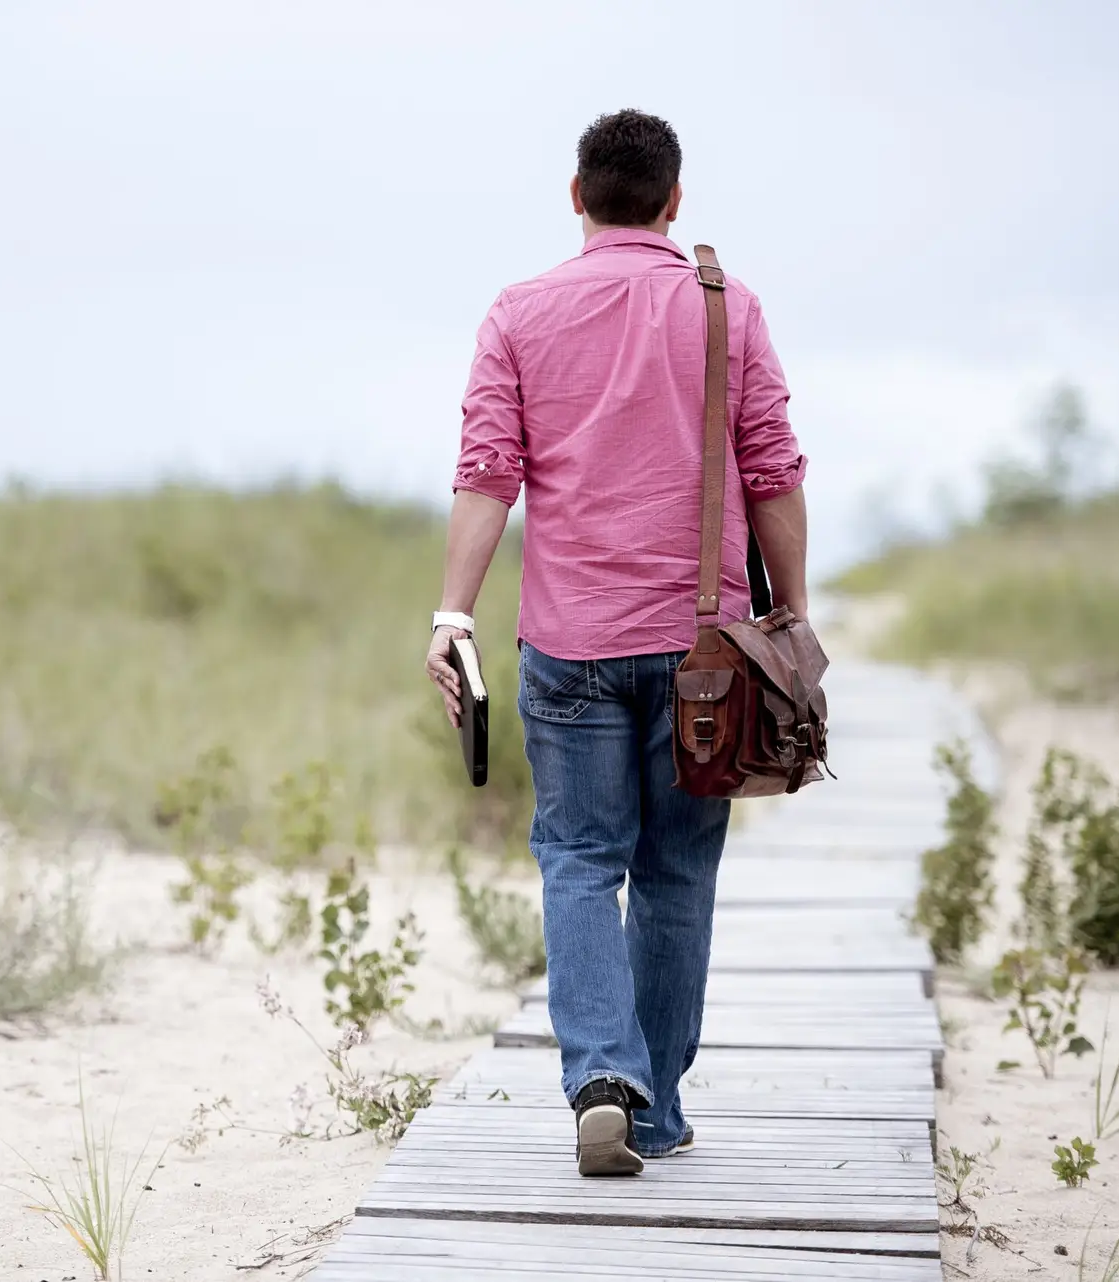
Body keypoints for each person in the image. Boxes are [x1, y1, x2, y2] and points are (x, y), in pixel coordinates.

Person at [423, 108, 809, 1177]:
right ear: (674, 202)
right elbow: (774, 468)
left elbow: (487, 470)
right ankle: (656, 1110)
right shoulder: (730, 308)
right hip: (707, 647)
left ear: (577, 197)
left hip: (571, 642)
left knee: (581, 860)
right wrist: (793, 618)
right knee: (678, 869)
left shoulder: (519, 310)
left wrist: (453, 617)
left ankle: (602, 1072)